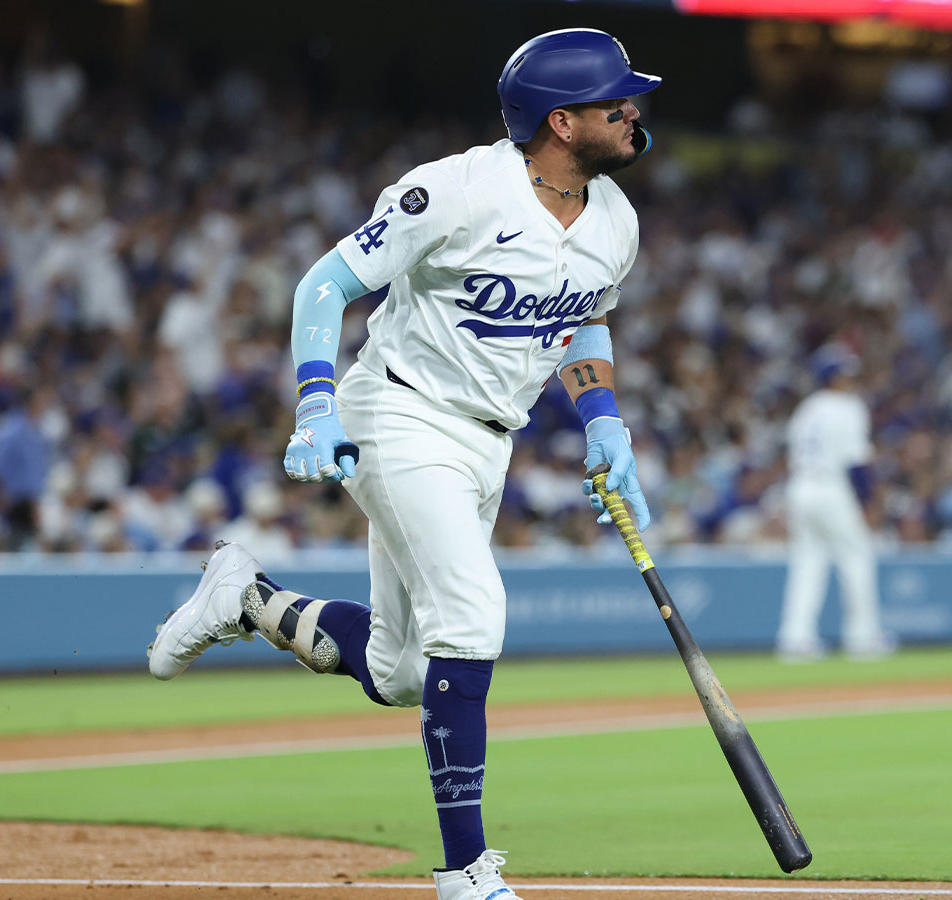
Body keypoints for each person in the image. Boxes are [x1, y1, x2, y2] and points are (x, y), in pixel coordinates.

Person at [145, 29, 659, 900]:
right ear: (563, 123)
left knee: (400, 671)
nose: (634, 111)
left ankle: (245, 598)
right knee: (473, 610)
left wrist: (604, 417)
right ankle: (464, 872)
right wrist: (315, 401)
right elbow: (323, 285)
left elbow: (582, 315)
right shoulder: (455, 190)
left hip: (488, 440)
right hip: (400, 412)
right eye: (617, 103)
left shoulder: (616, 218)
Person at [775, 346, 894, 661]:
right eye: (843, 372)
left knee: (808, 561)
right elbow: (857, 462)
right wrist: (868, 502)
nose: (849, 378)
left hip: (801, 486)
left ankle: (795, 638)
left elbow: (791, 452)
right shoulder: (848, 406)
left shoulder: (808, 407)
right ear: (830, 375)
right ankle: (862, 637)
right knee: (857, 555)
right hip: (831, 486)